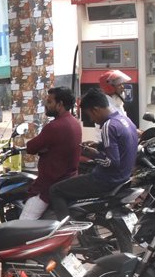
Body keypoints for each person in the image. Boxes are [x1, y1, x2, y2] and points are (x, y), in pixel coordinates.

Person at [49, 88, 138, 219]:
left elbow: (111, 162)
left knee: (55, 190)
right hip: (123, 177)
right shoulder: (125, 121)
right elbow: (122, 146)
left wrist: (93, 154)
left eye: (90, 115)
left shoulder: (108, 126)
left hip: (107, 180)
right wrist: (99, 145)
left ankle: (66, 228)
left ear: (95, 110)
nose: (92, 119)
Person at [20, 86, 82, 220]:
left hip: (49, 184)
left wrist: (43, 149)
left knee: (24, 223)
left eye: (49, 102)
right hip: (68, 179)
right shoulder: (75, 122)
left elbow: (31, 147)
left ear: (60, 105)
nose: (46, 105)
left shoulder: (54, 127)